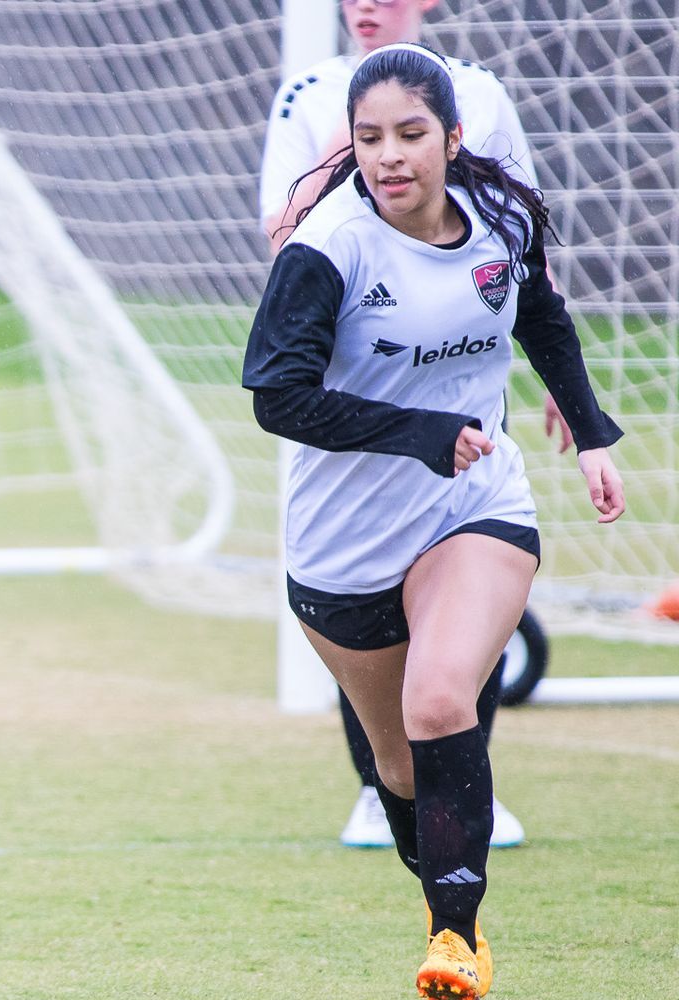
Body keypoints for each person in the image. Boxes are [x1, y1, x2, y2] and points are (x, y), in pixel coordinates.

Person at [244, 43, 624, 1000]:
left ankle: (457, 927)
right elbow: (276, 397)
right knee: (399, 764)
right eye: (369, 138)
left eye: (411, 134)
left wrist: (588, 429)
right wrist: (416, 432)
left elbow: (539, 311)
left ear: (454, 139)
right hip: (342, 545)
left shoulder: (502, 215)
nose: (390, 155)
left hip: (474, 501)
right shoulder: (327, 249)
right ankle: (439, 887)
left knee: (443, 694)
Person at [261, 0, 552, 850]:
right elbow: (282, 238)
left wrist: (569, 392)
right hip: (352, 401)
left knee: (457, 628)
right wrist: (335, 174)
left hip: (466, 431)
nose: (368, 6)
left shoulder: (484, 97)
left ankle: (468, 796)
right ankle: (378, 785)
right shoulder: (306, 93)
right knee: (364, 611)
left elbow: (521, 248)